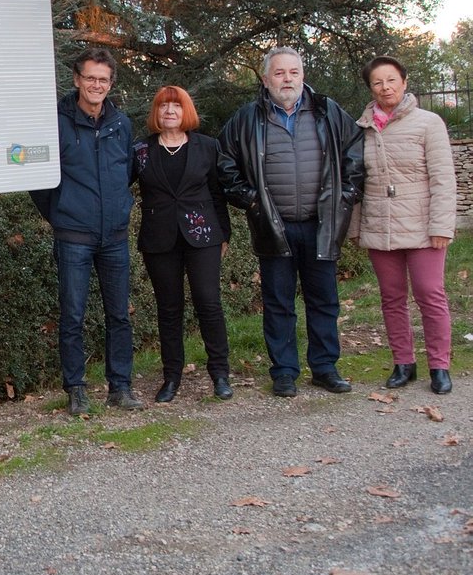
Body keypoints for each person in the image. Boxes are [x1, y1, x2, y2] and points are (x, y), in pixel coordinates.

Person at [217, 46, 364, 398]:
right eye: (279, 73)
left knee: (324, 299)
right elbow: (224, 162)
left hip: (321, 224)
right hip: (273, 225)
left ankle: (325, 368)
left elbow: (355, 151)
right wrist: (250, 200)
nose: (287, 79)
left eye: (293, 72)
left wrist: (347, 196)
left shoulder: (328, 113)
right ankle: (284, 372)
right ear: (266, 79)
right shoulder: (246, 119)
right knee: (279, 302)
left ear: (303, 76)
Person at [31, 47, 140, 414]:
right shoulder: (56, 122)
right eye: (90, 78)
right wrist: (62, 214)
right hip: (73, 235)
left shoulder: (121, 124)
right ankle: (76, 389)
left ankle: (120, 387)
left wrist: (118, 209)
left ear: (110, 84)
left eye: (103, 79)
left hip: (114, 236)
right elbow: (41, 181)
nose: (97, 85)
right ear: (77, 79)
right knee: (73, 314)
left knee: (119, 314)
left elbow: (126, 174)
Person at [352, 56, 456, 395]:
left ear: (405, 81)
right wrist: (356, 228)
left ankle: (439, 366)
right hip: (380, 225)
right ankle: (403, 363)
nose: (386, 88)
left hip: (424, 226)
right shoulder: (362, 128)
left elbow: (443, 179)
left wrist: (442, 225)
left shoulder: (429, 123)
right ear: (371, 89)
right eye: (378, 83)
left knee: (430, 294)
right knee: (392, 297)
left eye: (391, 80)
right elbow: (355, 182)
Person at [133, 86, 233, 402]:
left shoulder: (208, 146)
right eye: (164, 106)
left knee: (209, 302)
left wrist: (224, 234)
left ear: (186, 111)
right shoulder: (141, 151)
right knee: (169, 308)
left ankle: (220, 373)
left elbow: (219, 194)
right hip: (159, 239)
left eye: (177, 106)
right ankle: (171, 377)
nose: (170, 111)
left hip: (203, 235)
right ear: (156, 113)